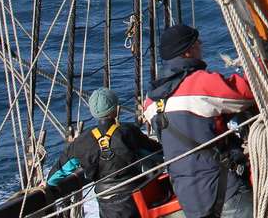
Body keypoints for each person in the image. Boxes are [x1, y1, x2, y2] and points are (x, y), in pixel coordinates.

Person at [143, 25, 256, 218]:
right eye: (198, 43)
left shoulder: (150, 102)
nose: (201, 46)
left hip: (189, 200)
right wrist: (258, 59)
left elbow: (193, 122)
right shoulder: (201, 84)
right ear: (188, 51)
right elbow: (246, 93)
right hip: (224, 190)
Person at [46, 87, 162, 218]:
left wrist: (49, 187)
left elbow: (57, 174)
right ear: (115, 110)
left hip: (107, 203)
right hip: (135, 196)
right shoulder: (128, 132)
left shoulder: (82, 141)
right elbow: (156, 152)